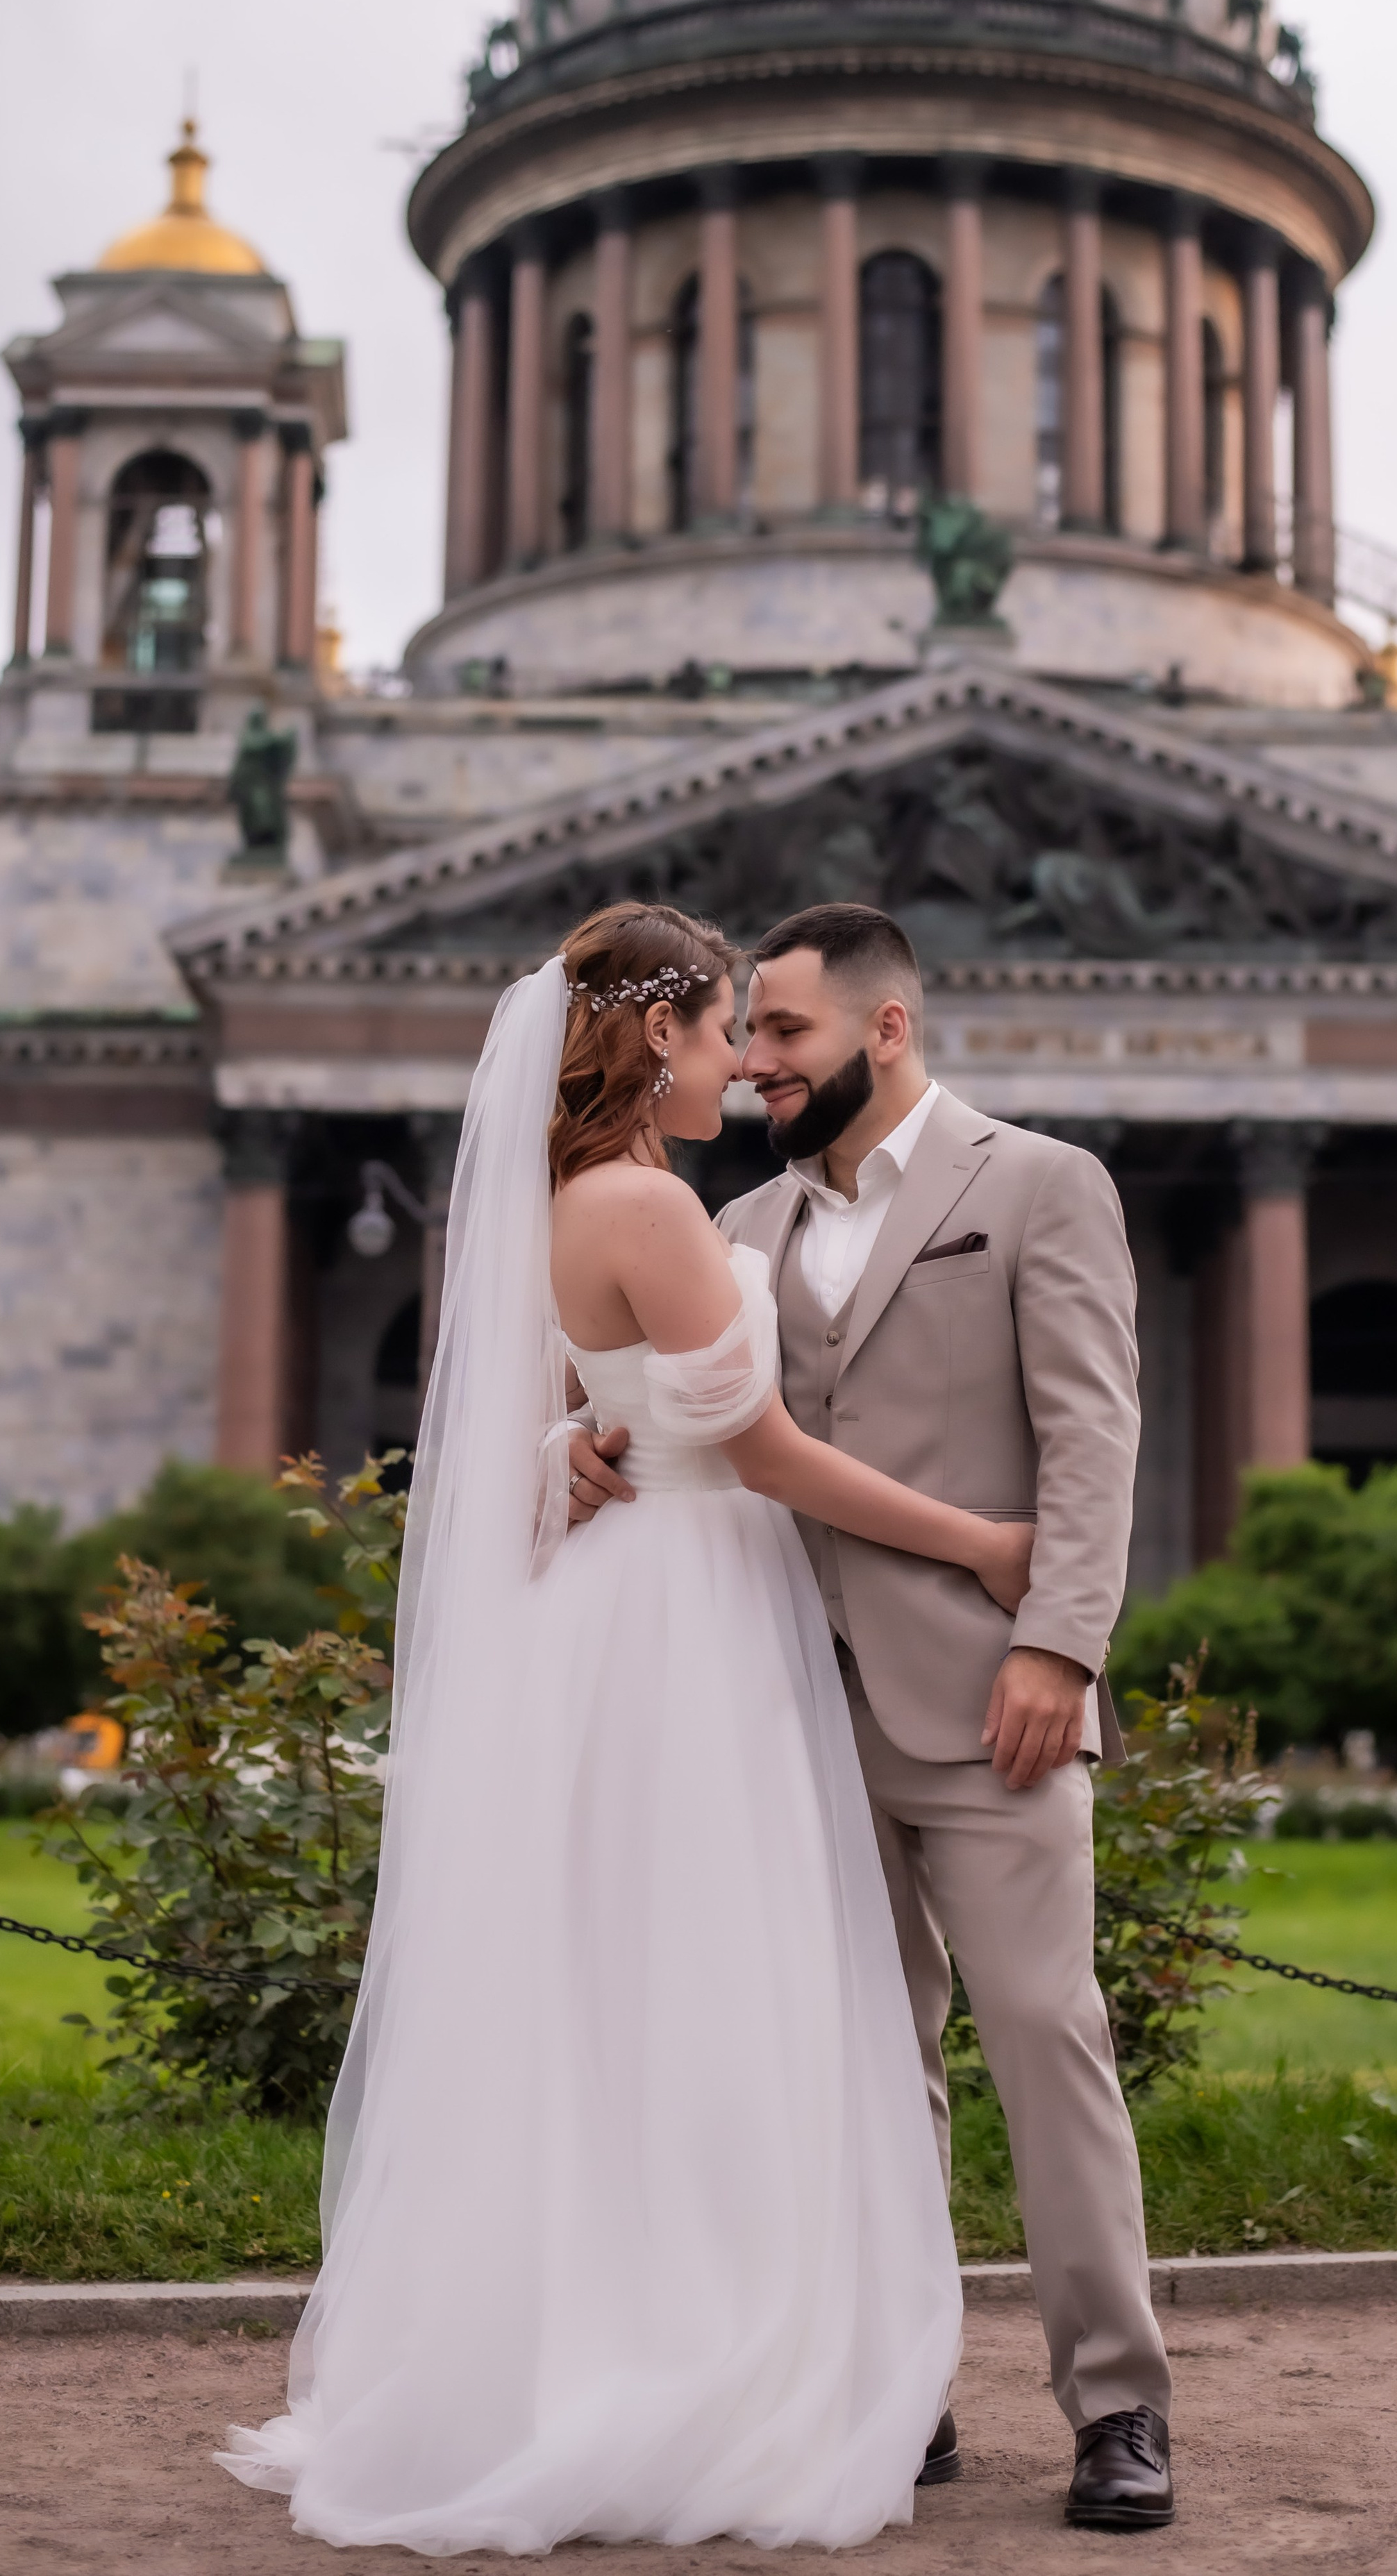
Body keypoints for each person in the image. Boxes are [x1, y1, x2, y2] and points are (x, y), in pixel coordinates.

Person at [218, 900, 1040, 2554]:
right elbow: (772, 1458)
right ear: (656, 1034)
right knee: (713, 1986)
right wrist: (981, 1542)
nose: (748, 1059)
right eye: (731, 1024)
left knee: (614, 1995)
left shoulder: (551, 1201)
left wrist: (576, 1450)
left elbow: (531, 1435)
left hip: (617, 1613)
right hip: (691, 1614)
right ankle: (694, 2367)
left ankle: (591, 2342)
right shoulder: (647, 1208)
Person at [571, 901, 1175, 2533]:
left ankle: (1116, 2403)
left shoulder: (1040, 1185)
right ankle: (896, 2389)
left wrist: (1059, 1644)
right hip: (779, 1706)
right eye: (744, 1036)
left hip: (993, 1705)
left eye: (781, 1035)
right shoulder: (735, 1221)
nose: (752, 1062)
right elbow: (673, 1418)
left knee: (1048, 2042)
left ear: (883, 1029)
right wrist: (579, 1447)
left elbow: (1090, 1435)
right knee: (853, 2067)